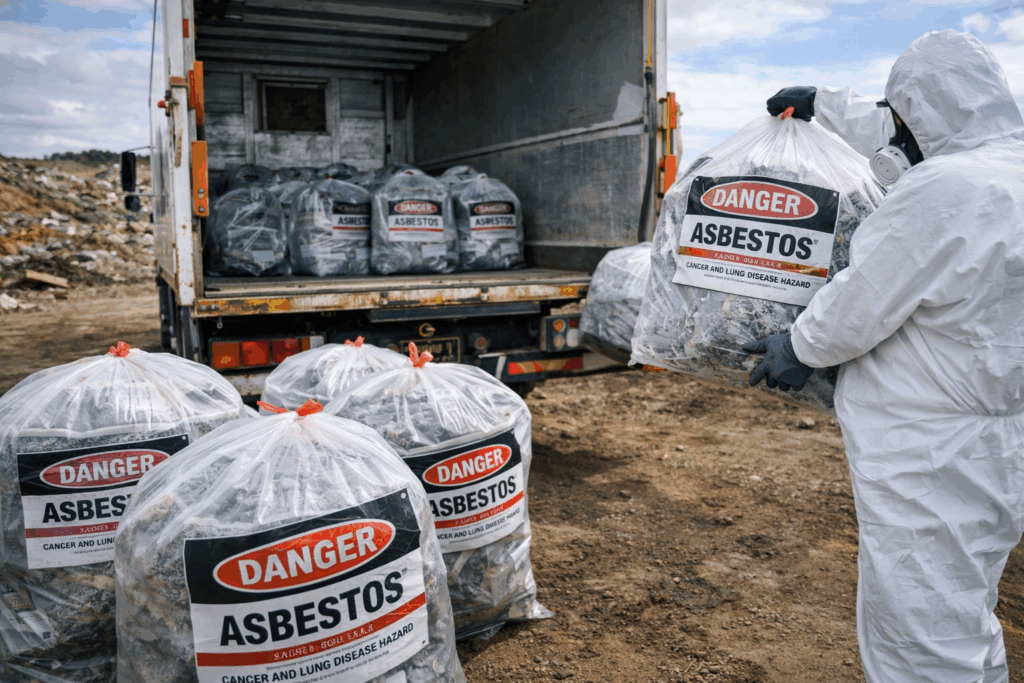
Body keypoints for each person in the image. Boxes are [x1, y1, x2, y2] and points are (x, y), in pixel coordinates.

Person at [745, 30, 1024, 682]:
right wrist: (823, 102)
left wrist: (800, 345)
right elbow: (914, 118)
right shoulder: (1006, 166)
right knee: (967, 609)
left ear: (925, 116)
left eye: (901, 124)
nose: (894, 140)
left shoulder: (948, 187)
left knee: (918, 638)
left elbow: (864, 295)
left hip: (926, 453)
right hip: (995, 439)